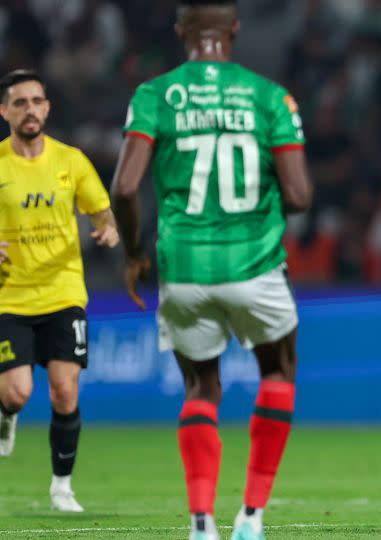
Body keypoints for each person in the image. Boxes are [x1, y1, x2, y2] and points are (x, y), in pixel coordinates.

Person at [110, 1, 313, 539]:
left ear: (181, 32)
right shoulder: (270, 97)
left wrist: (134, 253)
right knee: (278, 373)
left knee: (201, 387)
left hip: (184, 268)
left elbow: (125, 187)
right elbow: (298, 195)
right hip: (257, 264)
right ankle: (251, 516)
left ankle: (202, 521)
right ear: (234, 31)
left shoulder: (155, 95)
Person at [0, 69, 119, 512]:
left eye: (36, 101)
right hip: (9, 296)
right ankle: (6, 414)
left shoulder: (70, 161)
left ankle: (61, 488)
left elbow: (102, 211)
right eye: (19, 102)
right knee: (16, 392)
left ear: (47, 108)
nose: (29, 109)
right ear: (5, 111)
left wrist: (106, 231)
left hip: (63, 292)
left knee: (64, 391)